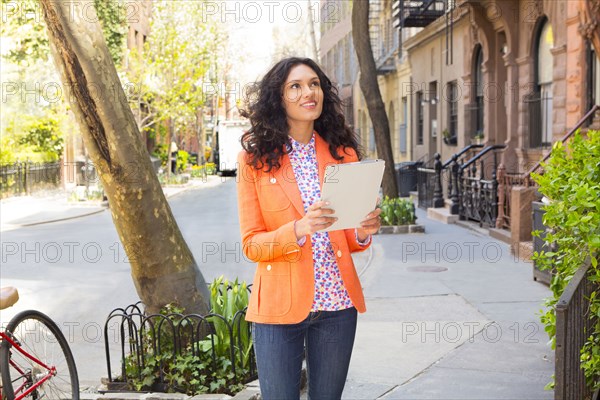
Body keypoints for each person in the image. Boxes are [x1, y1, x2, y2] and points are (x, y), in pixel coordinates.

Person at [236, 57, 381, 399]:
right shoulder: (254, 160)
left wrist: (363, 229)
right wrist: (299, 229)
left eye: (314, 83)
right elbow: (251, 245)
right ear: (279, 98)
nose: (308, 92)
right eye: (296, 86)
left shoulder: (342, 153)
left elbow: (351, 237)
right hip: (278, 306)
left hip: (336, 304)